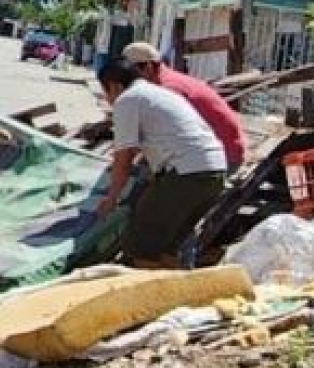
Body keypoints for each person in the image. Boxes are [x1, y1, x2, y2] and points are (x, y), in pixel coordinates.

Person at [95, 58, 227, 268]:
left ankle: (147, 297)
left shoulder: (127, 100)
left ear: (114, 86)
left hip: (185, 174)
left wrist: (112, 198)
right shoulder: (159, 94)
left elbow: (124, 157)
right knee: (167, 245)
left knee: (141, 243)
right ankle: (172, 294)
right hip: (214, 172)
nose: (108, 99)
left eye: (106, 92)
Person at [121, 41, 247, 173]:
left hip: (223, 156)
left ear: (147, 68)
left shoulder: (167, 89)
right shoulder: (165, 81)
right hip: (222, 147)